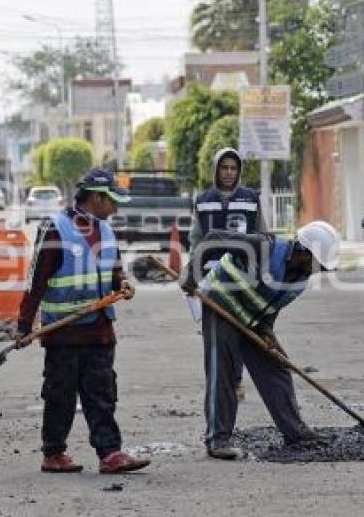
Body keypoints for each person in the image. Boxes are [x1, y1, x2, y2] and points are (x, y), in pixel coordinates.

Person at [17, 168, 150, 474]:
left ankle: (110, 453)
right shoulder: (55, 229)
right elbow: (36, 282)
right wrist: (24, 325)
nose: (116, 208)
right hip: (63, 333)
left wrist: (123, 285)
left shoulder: (105, 230)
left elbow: (114, 271)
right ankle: (54, 453)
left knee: (101, 393)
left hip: (100, 331)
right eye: (112, 200)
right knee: (59, 395)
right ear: (96, 198)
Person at [181, 220, 341, 460]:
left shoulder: (299, 278)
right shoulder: (263, 246)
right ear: (302, 252)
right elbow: (214, 236)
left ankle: (295, 432)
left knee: (276, 367)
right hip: (220, 304)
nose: (319, 270)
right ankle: (218, 439)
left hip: (252, 320)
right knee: (223, 371)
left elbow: (269, 305)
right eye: (318, 263)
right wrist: (191, 271)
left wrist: (267, 333)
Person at [189, 149, 266, 418]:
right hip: (212, 283)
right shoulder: (203, 201)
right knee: (215, 341)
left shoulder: (251, 199)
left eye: (233, 168)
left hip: (242, 280)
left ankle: (235, 378)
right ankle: (221, 386)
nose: (229, 173)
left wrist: (260, 274)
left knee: (240, 334)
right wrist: (192, 276)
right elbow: (196, 241)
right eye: (224, 168)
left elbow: (262, 236)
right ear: (216, 170)